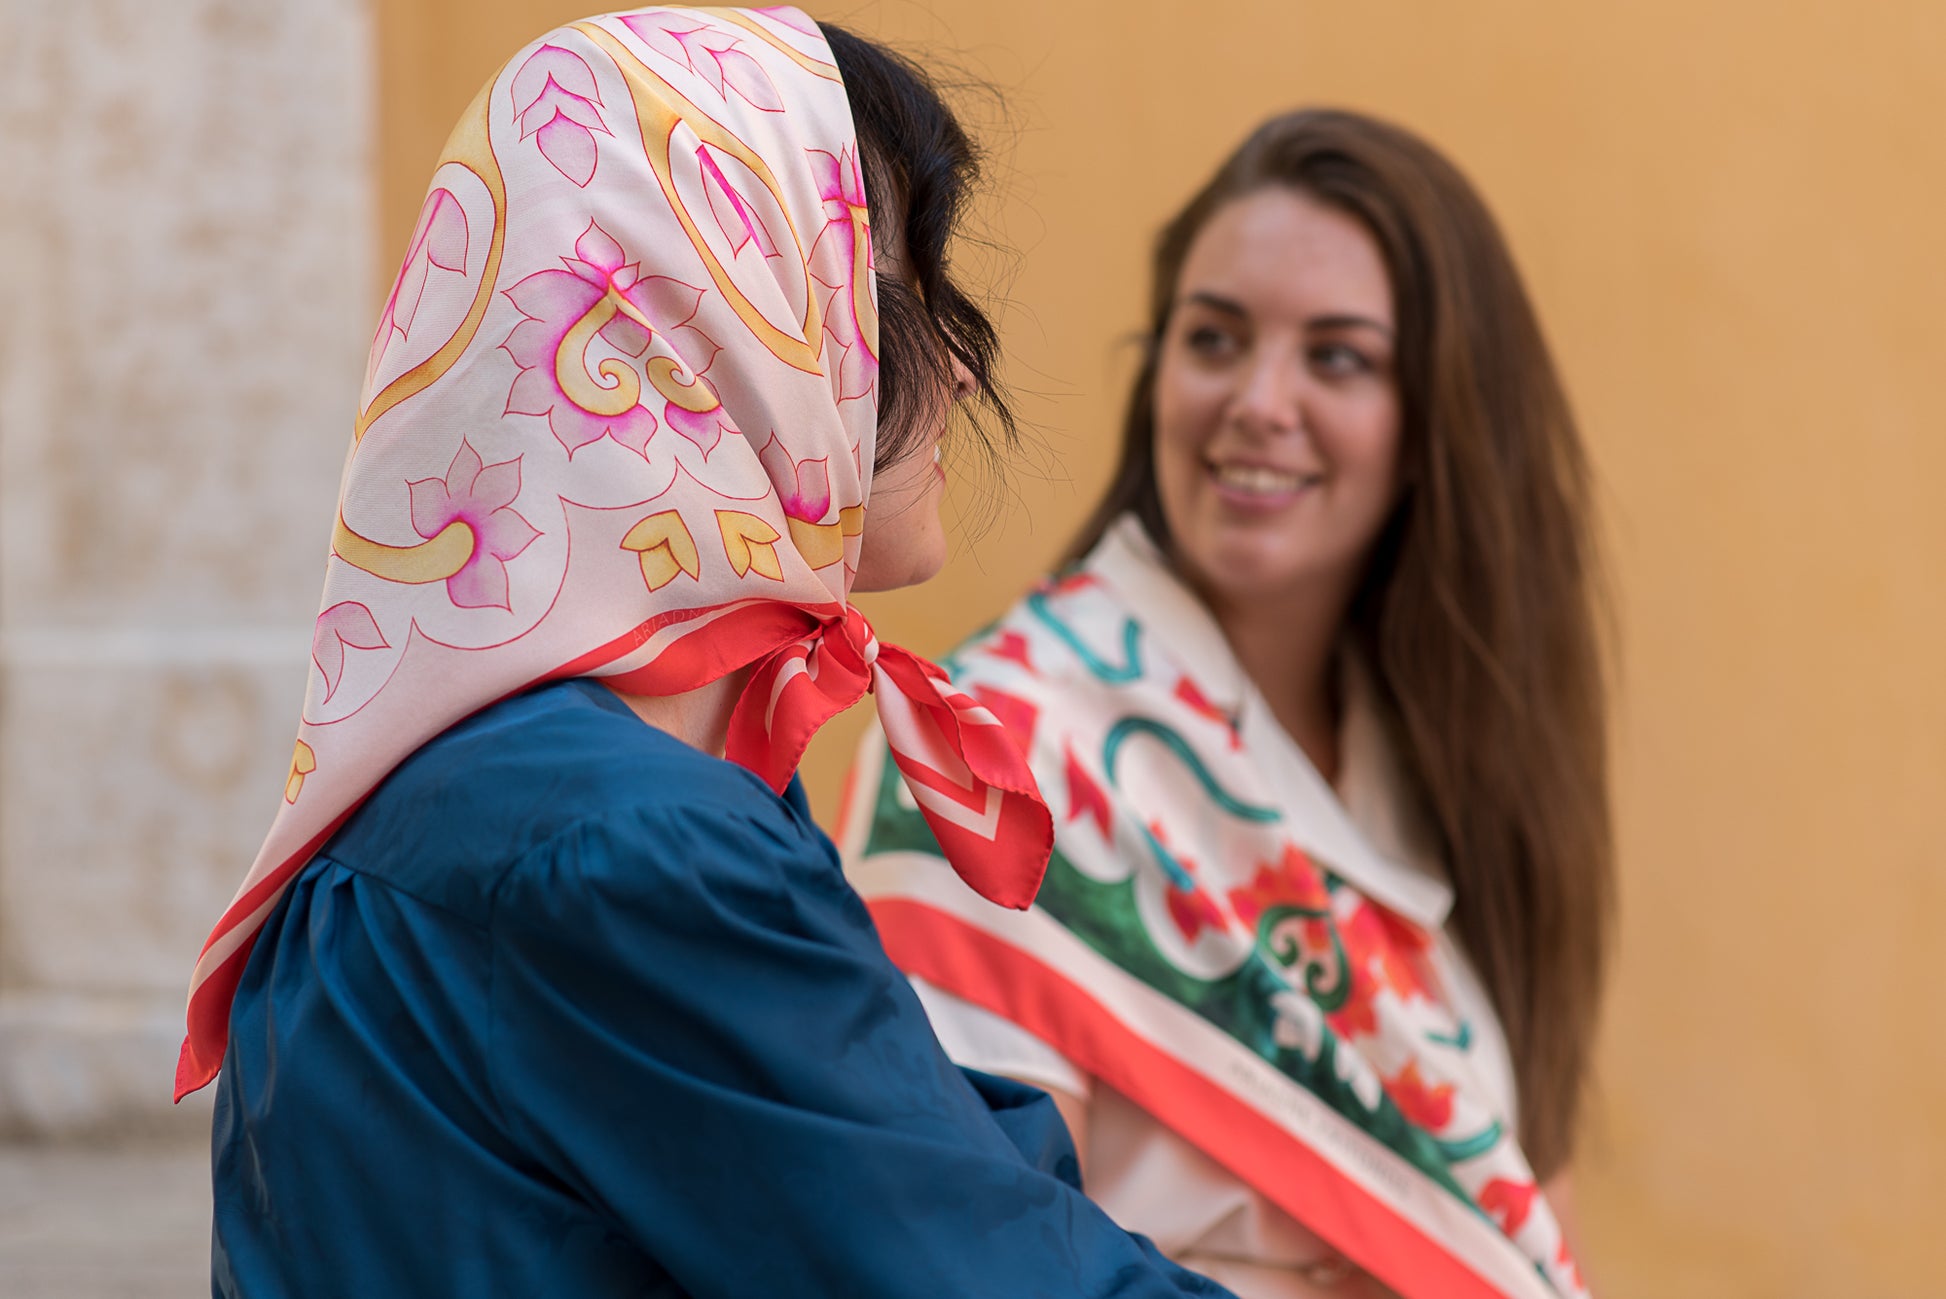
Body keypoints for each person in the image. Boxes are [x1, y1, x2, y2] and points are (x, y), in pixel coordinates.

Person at [177, 10, 1240, 1296]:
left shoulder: (482, 786)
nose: (960, 367)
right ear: (708, 324)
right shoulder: (623, 843)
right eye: (889, 287)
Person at [843, 108, 1612, 1299]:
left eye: (1337, 357)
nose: (1258, 399)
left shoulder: (1446, 785)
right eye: (1213, 339)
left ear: (1433, 430)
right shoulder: (997, 748)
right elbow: (968, 1256)